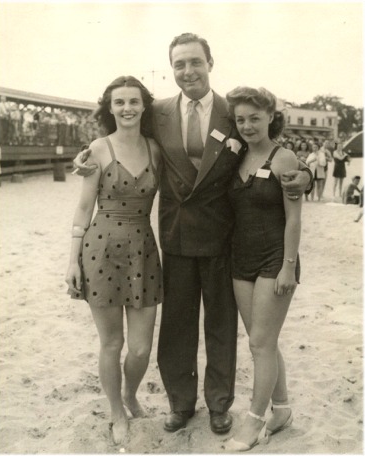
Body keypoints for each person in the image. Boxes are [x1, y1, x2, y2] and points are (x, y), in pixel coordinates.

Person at [72, 32, 312, 435]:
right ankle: (180, 403)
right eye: (179, 64)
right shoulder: (158, 111)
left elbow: (268, 144)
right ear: (172, 69)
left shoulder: (231, 110)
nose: (188, 71)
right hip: (174, 236)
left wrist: (303, 173)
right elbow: (119, 130)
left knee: (221, 325)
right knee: (177, 326)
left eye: (195, 62)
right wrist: (86, 155)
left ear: (210, 63)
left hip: (224, 237)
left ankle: (219, 405)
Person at [65, 76, 163, 446]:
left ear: (144, 106)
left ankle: (130, 393)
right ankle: (116, 411)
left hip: (143, 249)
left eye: (134, 102)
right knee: (111, 344)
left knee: (140, 348)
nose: (127, 108)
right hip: (100, 249)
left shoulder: (155, 149)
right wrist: (72, 262)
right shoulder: (99, 148)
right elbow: (83, 208)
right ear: (109, 108)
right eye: (119, 102)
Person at [224, 86, 302, 451]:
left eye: (255, 118)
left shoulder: (283, 158)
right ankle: (282, 409)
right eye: (240, 119)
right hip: (241, 261)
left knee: (260, 342)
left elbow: (294, 219)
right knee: (263, 342)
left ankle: (254, 420)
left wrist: (288, 268)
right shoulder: (234, 156)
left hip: (275, 259)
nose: (247, 125)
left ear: (271, 116)